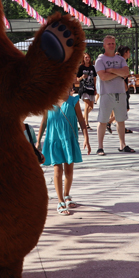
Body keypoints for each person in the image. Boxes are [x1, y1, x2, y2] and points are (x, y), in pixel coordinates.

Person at [37, 85, 90, 215]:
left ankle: (66, 196)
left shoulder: (73, 101)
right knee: (57, 170)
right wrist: (38, 141)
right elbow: (44, 122)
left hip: (68, 140)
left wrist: (86, 139)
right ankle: (60, 202)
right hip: (54, 141)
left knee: (69, 171)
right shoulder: (48, 103)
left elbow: (81, 121)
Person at [95, 36, 135, 154]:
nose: (111, 45)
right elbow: (103, 76)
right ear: (104, 46)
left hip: (120, 93)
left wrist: (111, 70)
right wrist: (118, 73)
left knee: (121, 120)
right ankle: (100, 147)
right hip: (106, 94)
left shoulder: (120, 59)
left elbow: (126, 73)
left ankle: (122, 145)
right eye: (109, 44)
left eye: (113, 43)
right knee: (102, 120)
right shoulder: (100, 60)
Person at [107, 46, 134, 135]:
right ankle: (110, 122)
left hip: (122, 87)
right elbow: (119, 74)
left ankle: (115, 124)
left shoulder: (123, 61)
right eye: (129, 52)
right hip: (121, 88)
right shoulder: (120, 61)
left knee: (125, 109)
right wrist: (124, 83)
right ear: (126, 52)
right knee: (123, 109)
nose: (130, 54)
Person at [76, 53, 97, 130]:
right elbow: (77, 79)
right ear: (83, 58)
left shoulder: (92, 67)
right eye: (85, 57)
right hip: (84, 88)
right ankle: (86, 124)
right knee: (87, 106)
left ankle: (80, 120)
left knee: (91, 107)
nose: (87, 58)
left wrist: (95, 88)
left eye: (88, 57)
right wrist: (82, 77)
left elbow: (95, 78)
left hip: (91, 88)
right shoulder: (81, 67)